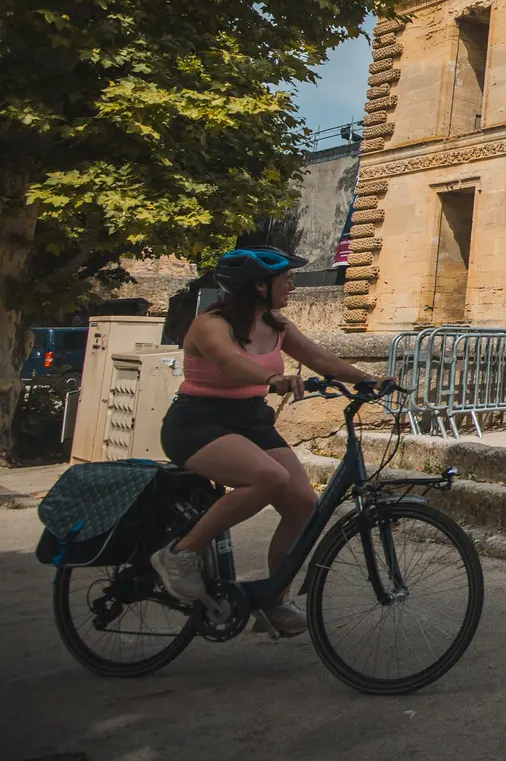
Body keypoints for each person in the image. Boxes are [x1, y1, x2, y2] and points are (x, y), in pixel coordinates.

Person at [148, 246, 384, 637]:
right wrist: (270, 379)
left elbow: (320, 358)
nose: (292, 284)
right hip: (198, 422)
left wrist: (369, 380)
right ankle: (181, 554)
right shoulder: (211, 324)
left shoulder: (277, 325)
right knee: (267, 477)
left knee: (304, 504)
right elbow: (229, 362)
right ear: (259, 285)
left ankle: (274, 600)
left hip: (251, 421)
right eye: (285, 278)